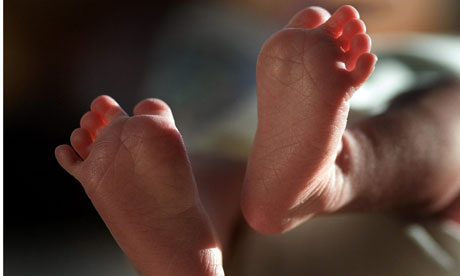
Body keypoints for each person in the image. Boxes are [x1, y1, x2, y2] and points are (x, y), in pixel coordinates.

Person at [55, 5, 460, 275]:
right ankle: (330, 171)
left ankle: (199, 243)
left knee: (210, 171)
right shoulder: (215, 28)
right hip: (302, 188)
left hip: (255, 215)